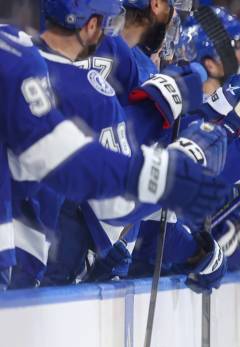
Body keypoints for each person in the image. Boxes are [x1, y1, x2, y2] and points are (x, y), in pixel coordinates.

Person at [0, 22, 227, 289]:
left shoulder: (17, 49)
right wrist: (162, 170)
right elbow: (69, 161)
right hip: (27, 269)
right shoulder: (15, 50)